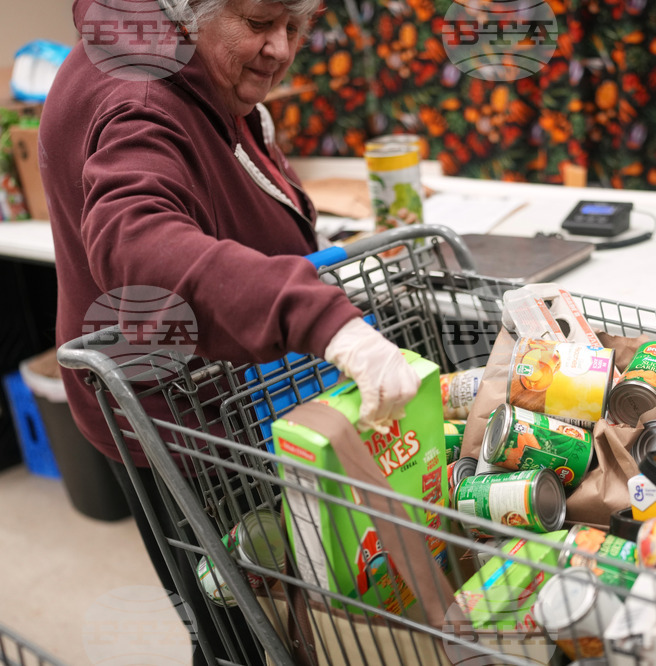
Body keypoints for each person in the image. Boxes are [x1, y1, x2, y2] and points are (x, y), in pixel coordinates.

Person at [39, 0, 421, 663]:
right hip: (186, 420)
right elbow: (138, 242)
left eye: (297, 28)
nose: (281, 48)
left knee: (261, 622)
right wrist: (319, 315)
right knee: (244, 632)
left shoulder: (185, 61)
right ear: (192, 9)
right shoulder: (141, 95)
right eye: (259, 20)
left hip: (227, 390)